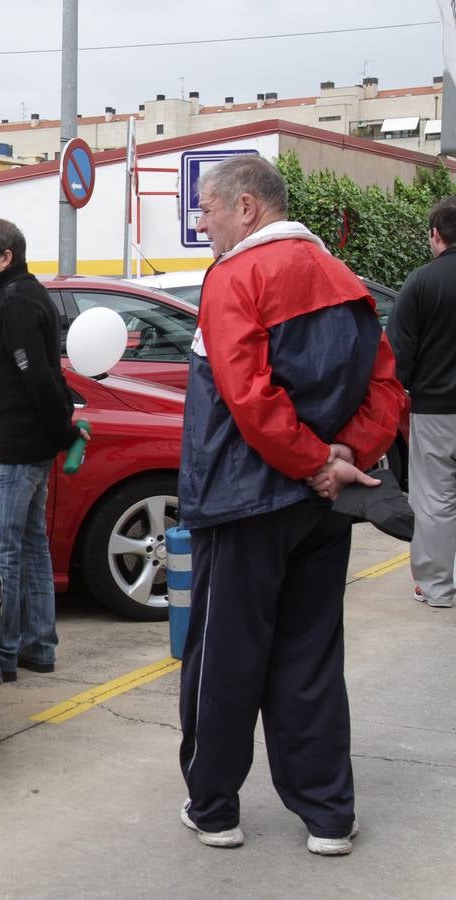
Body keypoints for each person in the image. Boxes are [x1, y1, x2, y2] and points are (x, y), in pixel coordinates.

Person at [178, 155, 404, 856]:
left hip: (245, 504)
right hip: (320, 510)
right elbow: (389, 393)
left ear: (247, 207)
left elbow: (247, 396)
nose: (204, 224)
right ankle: (329, 815)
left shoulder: (234, 276)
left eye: (208, 210)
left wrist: (314, 463)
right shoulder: (347, 281)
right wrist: (342, 462)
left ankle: (215, 809)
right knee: (310, 656)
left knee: (224, 660)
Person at [0, 217, 89, 684]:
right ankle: (38, 646)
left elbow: (36, 375)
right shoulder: (20, 295)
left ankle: (5, 653)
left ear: (5, 257)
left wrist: (61, 432)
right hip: (24, 446)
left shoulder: (16, 301)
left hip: (13, 450)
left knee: (9, 553)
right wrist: (59, 433)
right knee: (33, 548)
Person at [385, 196, 456, 609]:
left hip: (435, 408)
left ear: (436, 234)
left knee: (433, 497)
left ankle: (436, 588)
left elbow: (397, 353)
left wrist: (406, 388)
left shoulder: (421, 282)